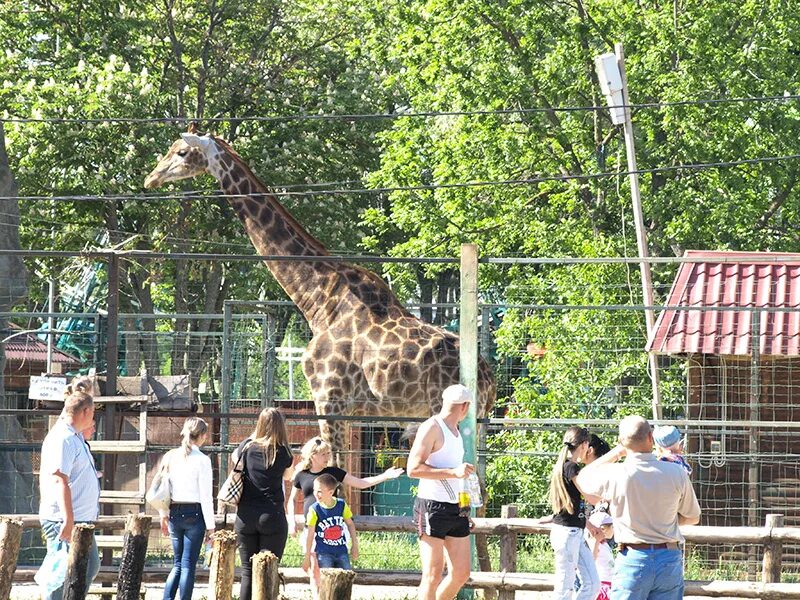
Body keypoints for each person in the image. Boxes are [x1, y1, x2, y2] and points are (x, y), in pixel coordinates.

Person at [576, 415, 701, 600]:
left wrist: (618, 453)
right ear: (651, 437)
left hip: (632, 557)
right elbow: (693, 517)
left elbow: (583, 477)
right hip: (669, 557)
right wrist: (664, 520)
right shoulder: (676, 472)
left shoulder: (616, 474)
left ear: (622, 442)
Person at [288, 435, 403, 596]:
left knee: (338, 569)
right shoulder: (301, 474)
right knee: (315, 570)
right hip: (313, 529)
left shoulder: (334, 473)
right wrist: (292, 521)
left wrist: (385, 476)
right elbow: (291, 500)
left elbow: (361, 483)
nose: (328, 457)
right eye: (324, 454)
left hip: (333, 529)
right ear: (312, 455)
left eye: (329, 453)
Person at [407, 384, 476, 600]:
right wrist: (453, 472)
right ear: (465, 407)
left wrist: (464, 507)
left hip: (456, 508)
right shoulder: (432, 427)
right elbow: (413, 469)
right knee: (432, 574)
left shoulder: (456, 431)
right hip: (432, 506)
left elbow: (456, 475)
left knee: (461, 573)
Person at [37, 378, 100, 600]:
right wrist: (68, 518)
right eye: (92, 414)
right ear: (85, 411)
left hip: (80, 519)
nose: (93, 420)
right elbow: (59, 479)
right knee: (62, 572)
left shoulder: (75, 438)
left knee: (89, 566)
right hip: (63, 519)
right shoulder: (62, 438)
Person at [234, 407, 295, 600]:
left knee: (247, 572)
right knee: (269, 570)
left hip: (245, 517)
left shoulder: (246, 448)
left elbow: (235, 457)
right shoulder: (284, 453)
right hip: (272, 517)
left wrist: (257, 433)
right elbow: (288, 476)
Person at [159, 417, 215, 600]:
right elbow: (206, 496)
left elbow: (162, 490)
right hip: (195, 514)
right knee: (188, 565)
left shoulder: (170, 456)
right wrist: (211, 527)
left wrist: (164, 514)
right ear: (202, 436)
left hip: (174, 512)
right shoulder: (202, 460)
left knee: (177, 564)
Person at [547, 426, 600, 600]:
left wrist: (588, 524)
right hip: (568, 534)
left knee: (592, 584)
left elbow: (575, 505)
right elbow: (590, 497)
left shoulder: (567, 466)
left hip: (575, 532)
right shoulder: (571, 468)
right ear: (584, 445)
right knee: (564, 589)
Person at [302, 474, 359, 599]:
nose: (316, 494)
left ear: (331, 492)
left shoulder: (341, 505)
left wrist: (355, 545)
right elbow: (310, 534)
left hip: (341, 551)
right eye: (314, 491)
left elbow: (350, 524)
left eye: (320, 491)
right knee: (327, 582)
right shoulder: (314, 510)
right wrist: (307, 557)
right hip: (324, 553)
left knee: (346, 580)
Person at [585, 511, 614, 600]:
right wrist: (597, 541)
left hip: (610, 581)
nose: (613, 530)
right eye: (612, 527)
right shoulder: (595, 543)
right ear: (602, 529)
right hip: (603, 583)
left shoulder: (604, 543)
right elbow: (592, 558)